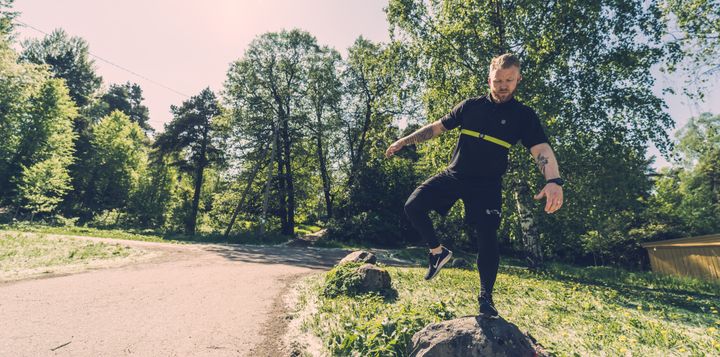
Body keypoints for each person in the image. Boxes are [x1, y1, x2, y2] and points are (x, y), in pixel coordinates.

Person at [384, 53, 564, 319]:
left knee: (488, 240)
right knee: (414, 206)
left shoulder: (523, 116)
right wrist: (404, 141)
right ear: (489, 79)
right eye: (498, 80)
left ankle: (486, 299)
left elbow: (540, 149)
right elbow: (436, 128)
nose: (503, 85)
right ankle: (437, 252)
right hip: (455, 175)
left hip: (487, 186)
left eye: (509, 80)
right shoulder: (470, 106)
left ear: (518, 79)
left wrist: (553, 181)